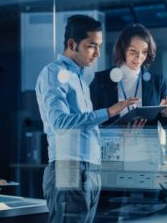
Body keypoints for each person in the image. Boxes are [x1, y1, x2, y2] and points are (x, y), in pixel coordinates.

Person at [35, 15, 139, 223]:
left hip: (90, 168)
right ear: (72, 44)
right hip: (68, 168)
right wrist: (108, 112)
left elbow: (84, 129)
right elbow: (60, 123)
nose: (97, 53)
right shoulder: (53, 73)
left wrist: (120, 135)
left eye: (99, 46)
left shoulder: (80, 79)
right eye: (92, 46)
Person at [90, 23, 167, 128]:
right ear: (123, 50)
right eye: (133, 51)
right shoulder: (100, 80)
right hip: (112, 143)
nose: (139, 57)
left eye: (144, 52)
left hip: (147, 144)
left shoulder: (156, 82)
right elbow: (91, 122)